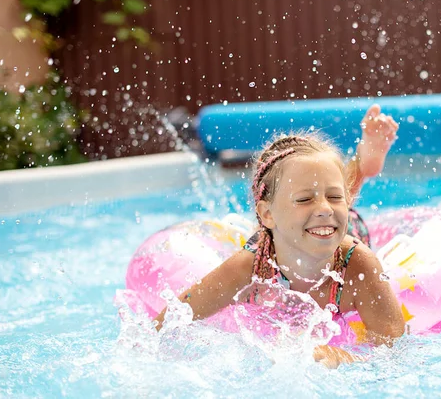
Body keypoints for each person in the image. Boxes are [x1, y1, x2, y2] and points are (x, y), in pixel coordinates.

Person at [155, 104, 404, 368]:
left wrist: (344, 356)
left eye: (334, 197)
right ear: (266, 212)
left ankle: (363, 165)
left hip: (346, 230)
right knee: (290, 225)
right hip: (278, 236)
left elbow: (395, 351)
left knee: (330, 209)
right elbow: (171, 320)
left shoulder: (359, 266)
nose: (323, 207)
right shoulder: (249, 267)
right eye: (304, 198)